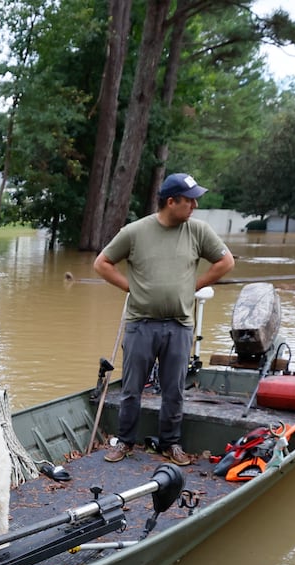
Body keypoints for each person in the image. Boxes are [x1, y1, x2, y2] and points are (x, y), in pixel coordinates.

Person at [93, 171, 234, 465]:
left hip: (179, 325)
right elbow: (102, 263)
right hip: (141, 323)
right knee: (131, 389)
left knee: (174, 391)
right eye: (190, 201)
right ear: (171, 202)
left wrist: (195, 285)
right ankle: (125, 441)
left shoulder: (199, 231)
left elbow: (225, 262)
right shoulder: (135, 232)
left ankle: (171, 443)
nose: (194, 206)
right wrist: (129, 287)